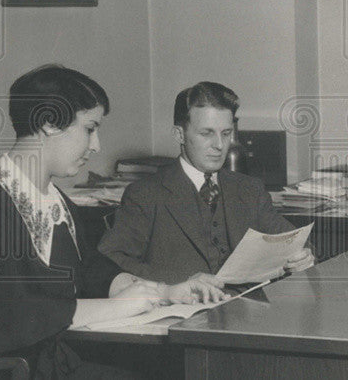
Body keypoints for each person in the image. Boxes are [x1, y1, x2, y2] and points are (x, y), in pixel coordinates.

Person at [0, 65, 227, 378]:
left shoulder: (54, 199)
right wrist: (120, 306)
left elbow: (89, 269)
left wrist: (165, 292)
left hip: (54, 363)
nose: (96, 145)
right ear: (48, 123)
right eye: (89, 128)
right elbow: (14, 315)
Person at [98, 82, 313, 285]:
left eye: (226, 133)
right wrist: (181, 281)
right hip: (184, 310)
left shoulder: (249, 189)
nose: (219, 145)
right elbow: (109, 261)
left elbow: (293, 241)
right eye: (206, 133)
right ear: (179, 134)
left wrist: (302, 256)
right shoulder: (146, 194)